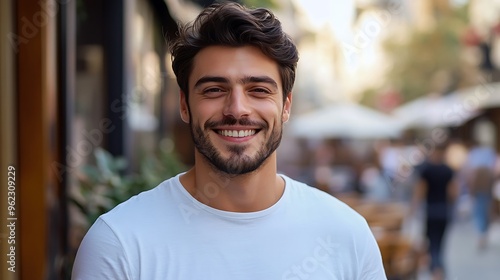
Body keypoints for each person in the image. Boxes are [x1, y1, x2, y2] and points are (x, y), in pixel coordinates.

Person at [72, 3, 387, 279]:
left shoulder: (347, 236)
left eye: (259, 90)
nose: (237, 109)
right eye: (214, 90)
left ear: (286, 105)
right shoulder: (120, 243)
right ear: (184, 105)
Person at [411, 144, 457, 280]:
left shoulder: (426, 170)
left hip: (431, 210)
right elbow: (453, 193)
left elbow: (420, 191)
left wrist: (413, 209)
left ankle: (436, 270)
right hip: (444, 210)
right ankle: (438, 268)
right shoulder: (448, 170)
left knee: (432, 241)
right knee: (440, 242)